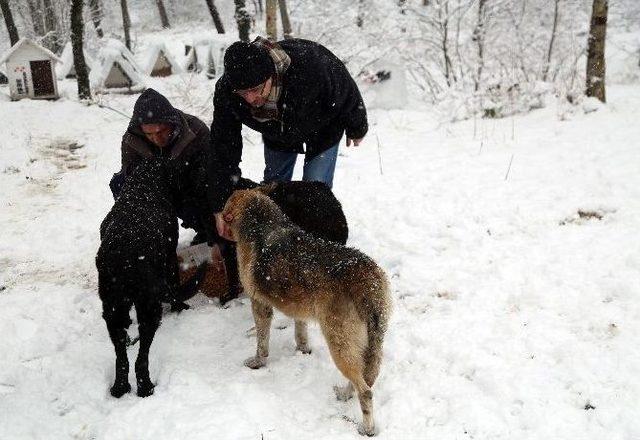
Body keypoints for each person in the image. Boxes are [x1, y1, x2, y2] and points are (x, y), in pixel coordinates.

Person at [208, 36, 369, 239]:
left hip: (323, 125)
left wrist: (357, 125)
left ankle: (314, 240)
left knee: (315, 190)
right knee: (274, 189)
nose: (250, 99)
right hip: (277, 132)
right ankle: (277, 238)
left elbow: (345, 88)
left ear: (270, 76)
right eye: (242, 92)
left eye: (255, 89)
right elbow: (222, 147)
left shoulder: (311, 66)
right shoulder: (227, 92)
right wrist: (219, 202)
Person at [110, 88, 214, 245]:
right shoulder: (131, 140)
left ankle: (207, 229)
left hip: (189, 187)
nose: (157, 139)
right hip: (157, 191)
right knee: (120, 183)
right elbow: (132, 181)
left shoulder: (196, 130)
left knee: (209, 184)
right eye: (149, 135)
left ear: (171, 123)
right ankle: (148, 241)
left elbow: (211, 173)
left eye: (161, 131)